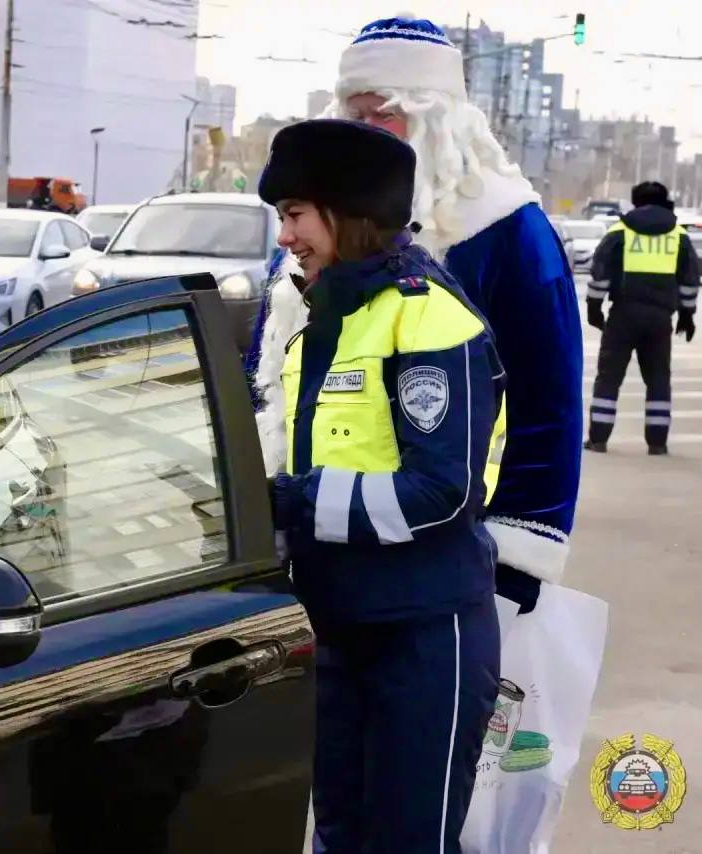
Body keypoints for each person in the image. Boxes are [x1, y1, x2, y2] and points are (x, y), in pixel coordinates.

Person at [258, 119, 504, 853]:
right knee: (339, 834)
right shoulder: (324, 320)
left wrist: (291, 503)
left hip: (423, 636)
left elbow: (440, 492)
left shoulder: (426, 317)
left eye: (296, 214)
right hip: (338, 629)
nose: (285, 237)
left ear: (347, 213)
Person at [327, 15, 581, 613]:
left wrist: (518, 556)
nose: (364, 134)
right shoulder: (319, 224)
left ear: (436, 119)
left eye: (383, 115)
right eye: (353, 115)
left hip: (453, 546)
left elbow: (549, 404)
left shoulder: (505, 227)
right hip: (326, 535)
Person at [585, 181, 699, 454]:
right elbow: (689, 280)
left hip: (623, 316)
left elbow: (600, 273)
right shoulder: (678, 236)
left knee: (609, 378)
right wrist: (687, 315)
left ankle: (598, 439)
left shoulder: (619, 232)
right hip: (660, 319)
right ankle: (657, 443)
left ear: (635, 202)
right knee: (658, 379)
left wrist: (594, 308)